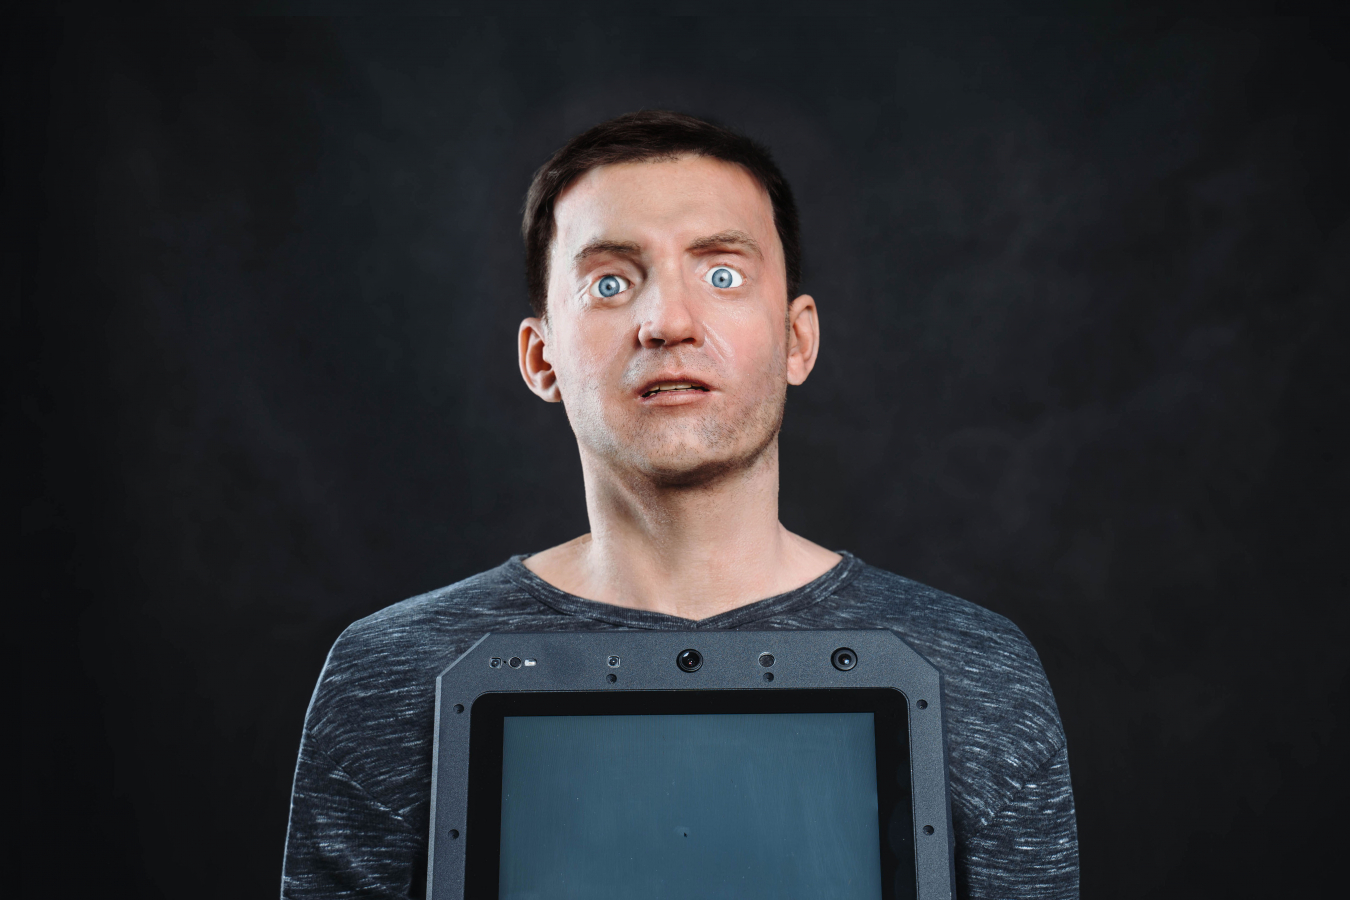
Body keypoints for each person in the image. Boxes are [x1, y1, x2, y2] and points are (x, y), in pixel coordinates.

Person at [281, 110, 1079, 898]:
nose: (667, 322)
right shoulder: (387, 675)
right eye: (610, 283)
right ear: (541, 356)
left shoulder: (981, 675)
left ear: (797, 339)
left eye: (722, 274)